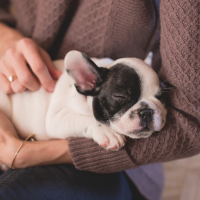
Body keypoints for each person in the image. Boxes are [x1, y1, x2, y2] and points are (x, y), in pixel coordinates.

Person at [0, 0, 199, 199]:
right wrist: (6, 38)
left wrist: (25, 154)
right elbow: (55, 123)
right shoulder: (81, 87)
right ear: (85, 81)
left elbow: (191, 114)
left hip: (108, 168)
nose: (145, 112)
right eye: (122, 99)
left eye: (158, 98)